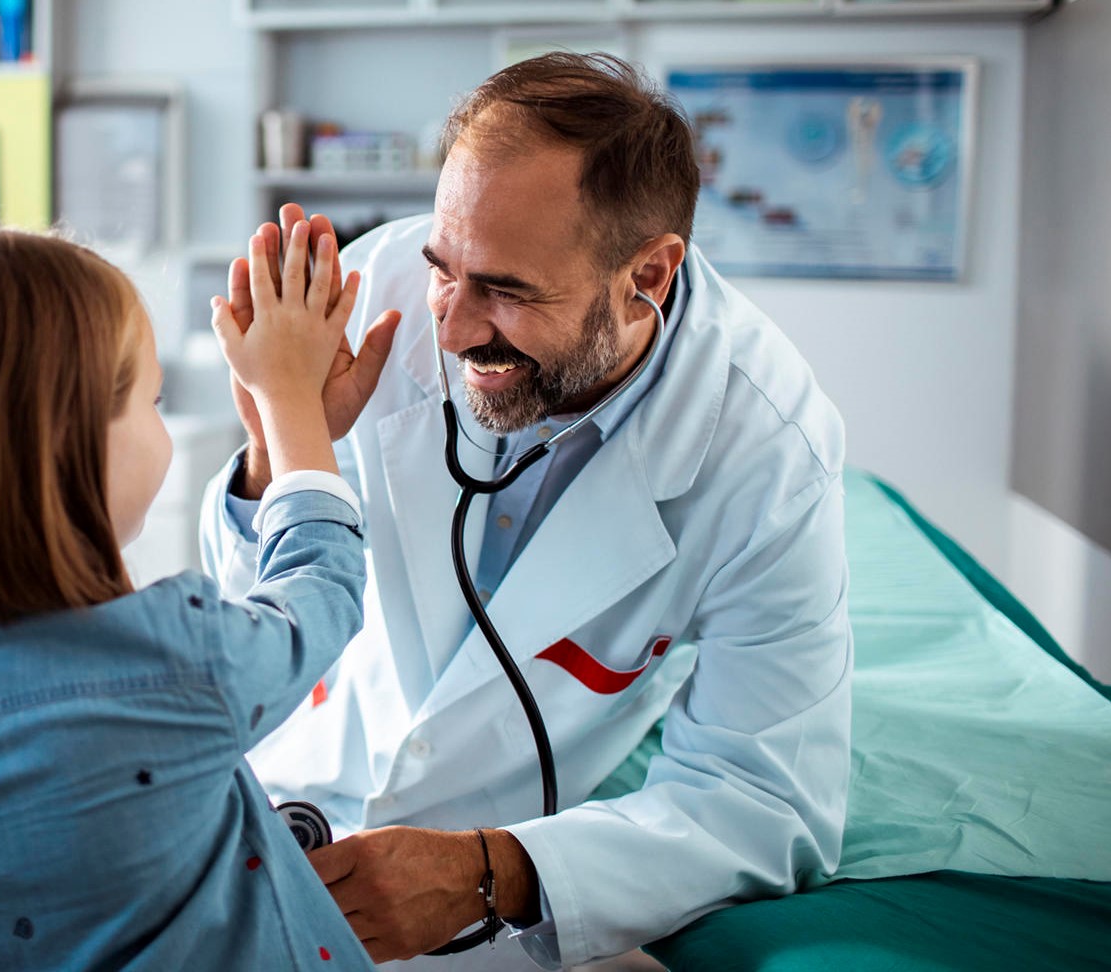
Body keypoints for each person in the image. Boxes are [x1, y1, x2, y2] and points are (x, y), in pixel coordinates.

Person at [201, 53, 852, 969]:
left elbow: (768, 801)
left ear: (649, 277)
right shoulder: (371, 295)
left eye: (506, 291)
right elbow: (239, 623)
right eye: (444, 269)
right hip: (289, 804)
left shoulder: (766, 451)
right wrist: (279, 446)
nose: (455, 328)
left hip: (503, 910)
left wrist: (491, 873)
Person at [0, 222, 389, 970]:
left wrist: (276, 442)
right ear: (73, 444)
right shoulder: (173, 657)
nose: (161, 421)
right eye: (153, 400)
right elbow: (321, 586)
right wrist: (290, 405)